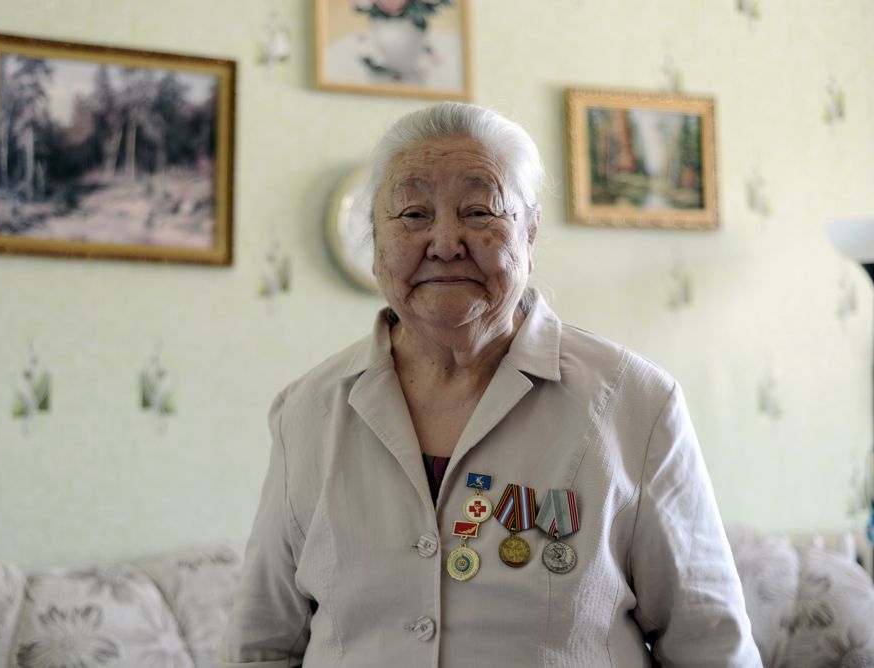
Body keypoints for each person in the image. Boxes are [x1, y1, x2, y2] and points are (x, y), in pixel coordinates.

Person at [219, 103, 762, 667]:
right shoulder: (307, 411)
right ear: (376, 239)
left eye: (479, 211)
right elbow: (261, 647)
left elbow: (711, 648)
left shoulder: (635, 403)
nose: (445, 242)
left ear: (530, 233)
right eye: (412, 214)